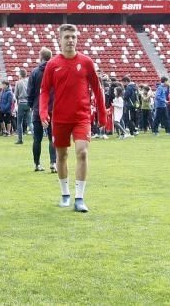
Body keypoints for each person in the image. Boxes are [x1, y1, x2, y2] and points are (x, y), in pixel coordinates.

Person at [38, 24, 106, 213]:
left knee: (82, 153)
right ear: (60, 40)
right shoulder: (52, 64)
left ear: (77, 39)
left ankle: (80, 198)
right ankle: (65, 194)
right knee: (61, 156)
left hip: (81, 117)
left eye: (73, 37)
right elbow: (44, 90)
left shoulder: (86, 62)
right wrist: (43, 112)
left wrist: (102, 113)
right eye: (67, 37)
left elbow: (97, 89)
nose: (70, 40)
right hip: (60, 118)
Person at [27, 48, 57, 173]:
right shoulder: (55, 71)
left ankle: (37, 164)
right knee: (52, 137)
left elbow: (30, 92)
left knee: (37, 138)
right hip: (52, 109)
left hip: (38, 108)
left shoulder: (34, 72)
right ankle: (53, 163)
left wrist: (32, 105)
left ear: (41, 57)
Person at [13, 68, 30, 144]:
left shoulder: (18, 82)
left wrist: (17, 100)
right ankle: (35, 136)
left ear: (20, 74)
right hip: (28, 103)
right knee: (30, 122)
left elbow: (16, 94)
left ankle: (20, 139)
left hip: (21, 103)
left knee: (19, 122)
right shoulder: (29, 81)